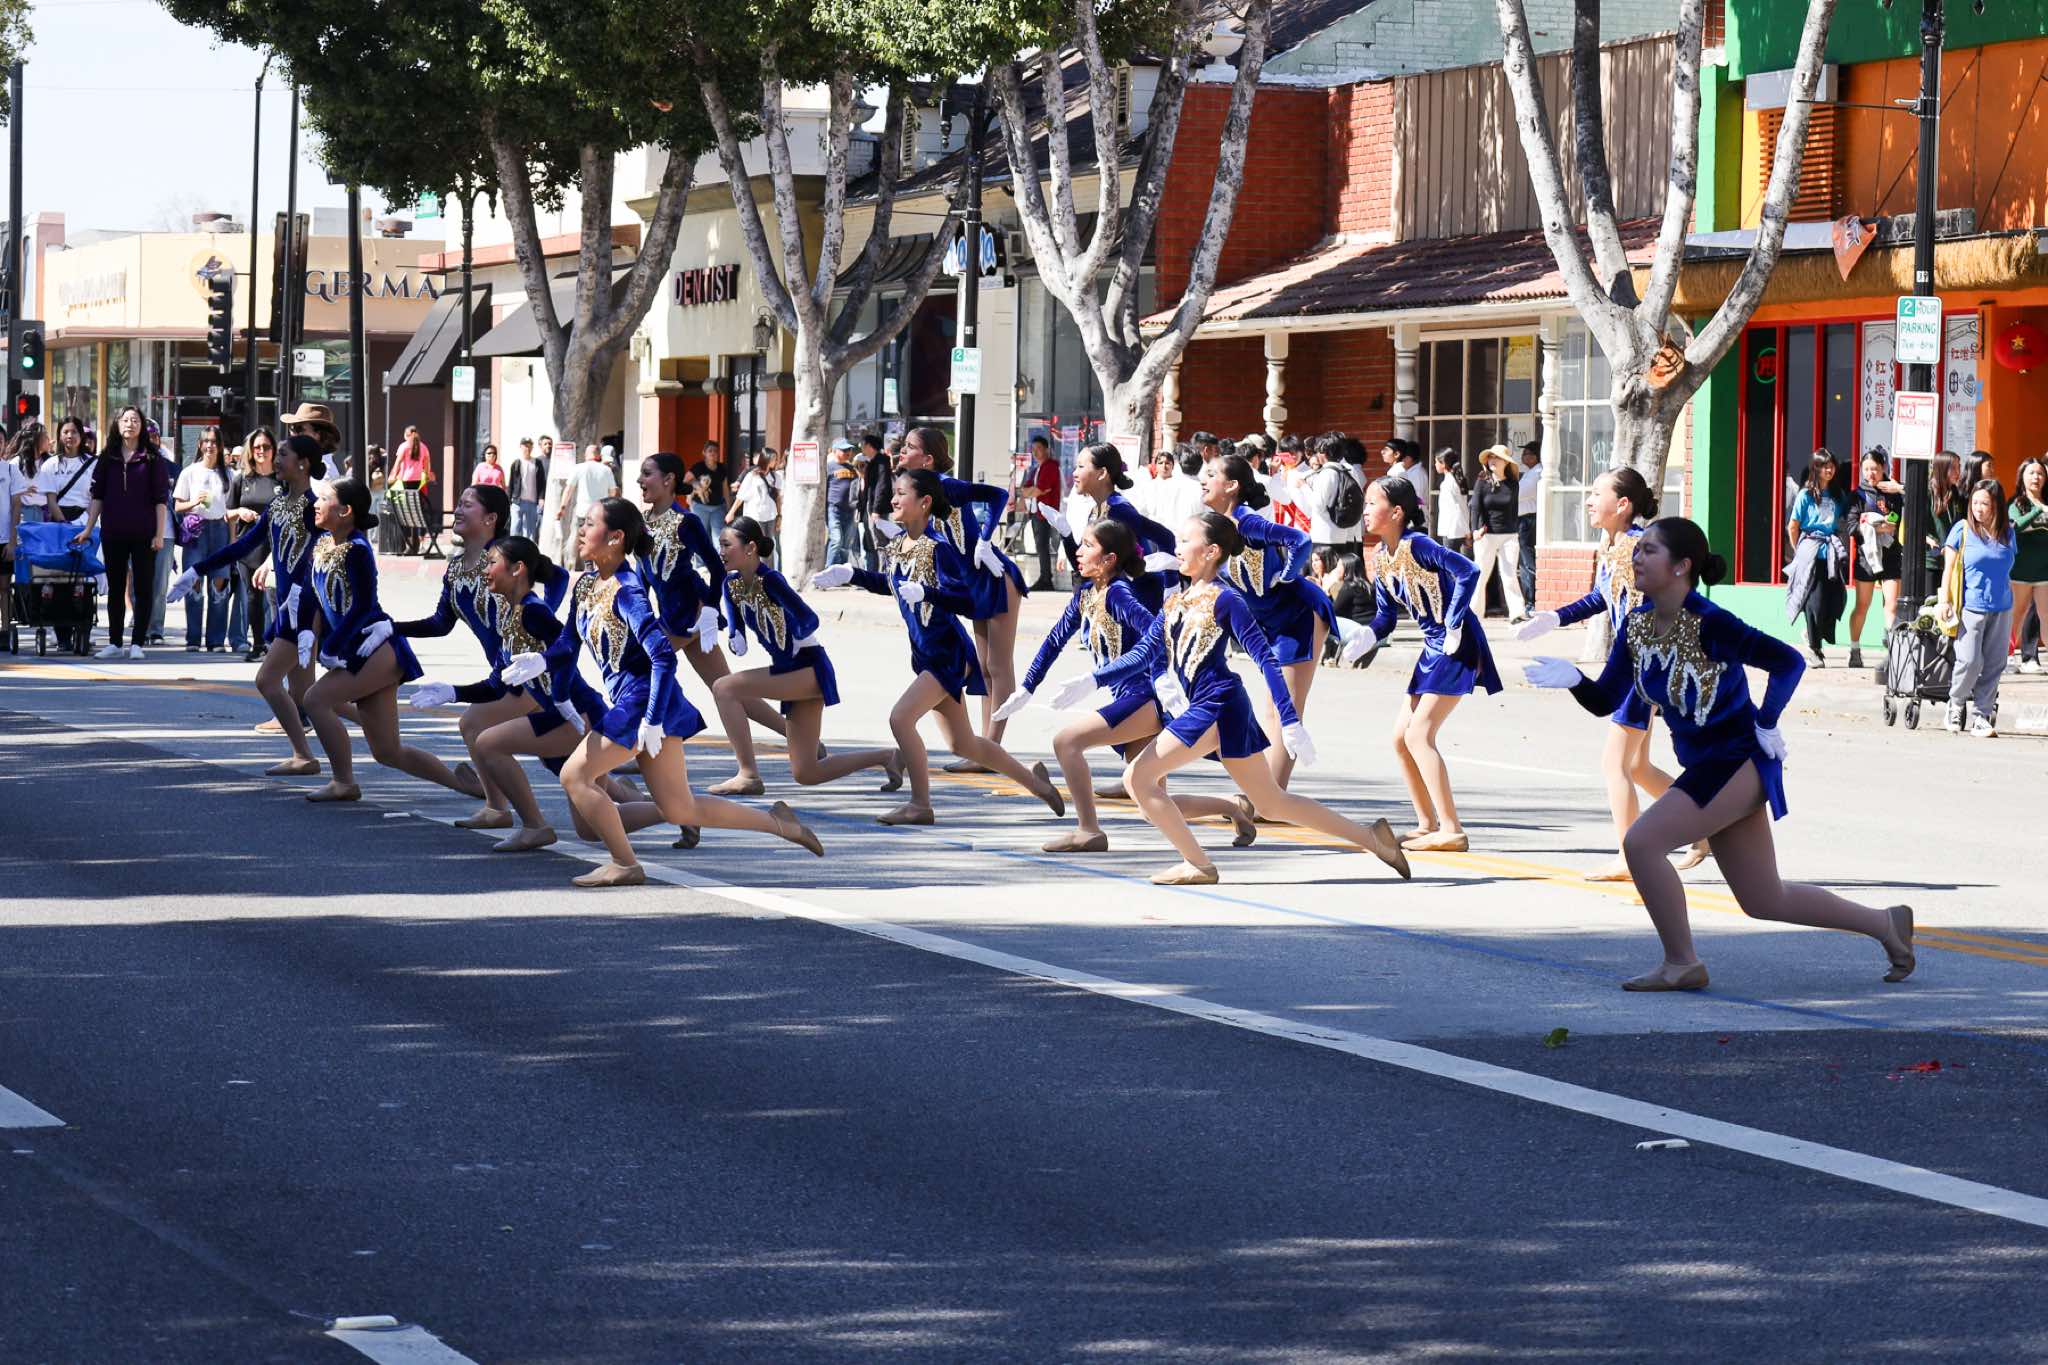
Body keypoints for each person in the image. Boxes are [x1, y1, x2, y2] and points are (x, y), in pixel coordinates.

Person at [1522, 516, 1915, 991]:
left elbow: (1788, 662)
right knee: (1764, 899)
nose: (1637, 557)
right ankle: (1886, 923)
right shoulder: (1637, 625)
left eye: (1650, 550)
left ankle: (1681, 962)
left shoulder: (1710, 622)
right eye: (1638, 549)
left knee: (1642, 844)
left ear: (1682, 566)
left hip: (1737, 761)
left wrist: (1767, 720)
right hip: (1707, 766)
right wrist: (1574, 679)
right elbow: (1606, 699)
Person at [1050, 510, 1410, 886]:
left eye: (1186, 540)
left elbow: (1265, 659)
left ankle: (1198, 864)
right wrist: (1092, 679)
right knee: (1271, 802)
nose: (1177, 547)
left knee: (1138, 778)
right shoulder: (1178, 601)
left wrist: (1290, 721)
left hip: (1217, 704)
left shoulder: (1226, 600)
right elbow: (1143, 653)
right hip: (1219, 708)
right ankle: (1373, 838)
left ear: (1211, 552)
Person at [501, 496, 824, 887]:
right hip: (641, 702)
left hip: (643, 702)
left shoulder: (627, 591)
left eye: (589, 524)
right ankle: (781, 823)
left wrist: (651, 720)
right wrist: (542, 660)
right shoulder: (586, 584)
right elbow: (568, 641)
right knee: (680, 808)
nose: (580, 530)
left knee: (575, 776)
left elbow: (663, 657)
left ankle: (625, 864)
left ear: (616, 538)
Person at [810, 468, 1064, 827]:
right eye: (894, 493)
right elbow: (892, 584)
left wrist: (929, 593)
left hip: (947, 655)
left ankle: (920, 804)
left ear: (925, 502)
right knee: (964, 745)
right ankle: (1037, 783)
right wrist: (853, 576)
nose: (894, 500)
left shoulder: (939, 549)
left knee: (901, 718)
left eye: (902, 494)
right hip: (925, 653)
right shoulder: (899, 544)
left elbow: (967, 601)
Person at [998, 518, 1256, 854]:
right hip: (1127, 698)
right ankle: (1233, 806)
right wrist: (1026, 688)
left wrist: (1161, 678)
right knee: (1151, 805)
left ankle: (1088, 830)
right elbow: (1053, 641)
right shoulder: (1085, 595)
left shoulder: (1118, 594)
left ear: (1109, 559)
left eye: (1088, 545)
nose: (1078, 552)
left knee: (1067, 742)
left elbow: (1156, 635)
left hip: (1143, 697)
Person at [1516, 467, 1707, 880]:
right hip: (1634, 667)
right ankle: (1704, 821)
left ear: (1622, 504)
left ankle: (1630, 857)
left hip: (1644, 670)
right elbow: (1601, 598)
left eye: (1596, 493)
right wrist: (1555, 617)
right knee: (1636, 766)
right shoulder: (1615, 545)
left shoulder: (1641, 546)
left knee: (1614, 763)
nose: (1588, 500)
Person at [294, 478, 483, 805]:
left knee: (315, 700)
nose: (316, 503)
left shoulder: (358, 550)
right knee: (387, 751)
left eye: (324, 498)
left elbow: (363, 607)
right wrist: (306, 632)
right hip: (353, 650)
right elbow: (313, 596)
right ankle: (469, 785)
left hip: (375, 648)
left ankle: (343, 782)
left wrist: (332, 645)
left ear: (345, 511)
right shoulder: (323, 543)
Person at [394, 482, 567, 832]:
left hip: (531, 673)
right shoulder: (456, 568)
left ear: (491, 518)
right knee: (561, 762)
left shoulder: (506, 557)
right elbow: (441, 623)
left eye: (467, 505)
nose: (458, 510)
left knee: (474, 724)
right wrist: (392, 627)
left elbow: (558, 577)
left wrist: (532, 619)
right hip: (503, 674)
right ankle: (646, 800)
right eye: (458, 503)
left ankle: (499, 808)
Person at [1340, 476, 1500, 852]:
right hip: (1432, 648)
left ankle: (1452, 829)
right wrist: (1367, 635)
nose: (1365, 510)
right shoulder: (1380, 556)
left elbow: (1468, 571)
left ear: (1397, 512)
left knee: (1419, 735)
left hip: (1457, 644)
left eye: (1372, 503)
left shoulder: (1419, 545)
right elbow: (1386, 617)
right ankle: (1427, 823)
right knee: (1401, 738)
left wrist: (1454, 621)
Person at [634, 451, 799, 797]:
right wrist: (638, 613)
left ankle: (649, 745)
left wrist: (710, 609)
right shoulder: (644, 523)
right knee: (725, 687)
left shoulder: (686, 522)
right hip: (671, 615)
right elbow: (643, 575)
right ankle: (800, 738)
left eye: (647, 474)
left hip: (689, 614)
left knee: (639, 668)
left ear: (668, 480)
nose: (640, 481)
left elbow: (716, 566)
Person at [707, 515, 903, 794]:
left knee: (724, 688)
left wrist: (799, 632)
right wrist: (734, 635)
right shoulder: (731, 586)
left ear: (750, 548)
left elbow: (808, 617)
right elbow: (735, 623)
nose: (721, 551)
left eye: (727, 545)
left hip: (808, 667)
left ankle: (748, 774)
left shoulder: (771, 579)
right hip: (789, 670)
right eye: (720, 545)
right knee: (806, 772)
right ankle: (887, 757)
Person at [173, 434, 323, 771]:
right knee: (311, 698)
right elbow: (242, 546)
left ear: (303, 464)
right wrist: (196, 570)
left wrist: (315, 608)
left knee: (268, 681)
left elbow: (327, 559)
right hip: (287, 608)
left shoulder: (315, 508)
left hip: (303, 612)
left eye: (283, 454)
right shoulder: (278, 506)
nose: (277, 460)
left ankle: (317, 755)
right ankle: (326, 751)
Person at [893, 426, 1033, 762]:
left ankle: (992, 748)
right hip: (970, 583)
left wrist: (985, 540)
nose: (902, 450)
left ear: (928, 458)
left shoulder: (947, 486)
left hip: (993, 577)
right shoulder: (920, 493)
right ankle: (984, 749)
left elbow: (997, 495)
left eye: (909, 446)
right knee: (983, 668)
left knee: (997, 665)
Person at [1200, 452, 1337, 792]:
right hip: (1269, 624)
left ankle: (1272, 799)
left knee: (1287, 710)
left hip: (1299, 615)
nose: (1203, 479)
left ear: (1232, 486)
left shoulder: (1247, 522)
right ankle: (1266, 794)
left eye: (1212, 474)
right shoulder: (1216, 529)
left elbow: (1300, 541)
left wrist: (1287, 576)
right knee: (1271, 711)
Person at [1034, 442, 1179, 613]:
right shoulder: (1097, 510)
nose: (1074, 473)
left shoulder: (1119, 509)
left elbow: (1166, 537)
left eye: (1081, 467)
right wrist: (1065, 533)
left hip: (1136, 607)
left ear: (1102, 473)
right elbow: (1084, 566)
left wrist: (1170, 585)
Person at [72, 407, 170, 659]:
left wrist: (159, 534)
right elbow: (98, 497)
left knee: (143, 588)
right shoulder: (108, 457)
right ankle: (115, 642)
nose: (130, 424)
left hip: (144, 533)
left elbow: (161, 500)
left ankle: (137, 642)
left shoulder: (152, 457)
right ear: (118, 424)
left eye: (135, 420)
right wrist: (88, 529)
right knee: (116, 588)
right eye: (125, 420)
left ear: (142, 426)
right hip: (113, 532)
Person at [1941, 478, 2016, 737]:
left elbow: (2008, 569)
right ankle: (1956, 704)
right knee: (1970, 661)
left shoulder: (2008, 533)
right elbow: (1949, 569)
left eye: (1984, 503)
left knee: (1995, 663)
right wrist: (1944, 600)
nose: (1978, 508)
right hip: (1971, 606)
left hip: (2002, 606)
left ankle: (1981, 715)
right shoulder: (1962, 530)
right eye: (1975, 502)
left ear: (1996, 505)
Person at [1783, 448, 1850, 668]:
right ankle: (1814, 649)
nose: (1829, 470)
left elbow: (1844, 520)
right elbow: (1793, 526)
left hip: (1830, 553)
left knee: (1834, 600)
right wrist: (1800, 550)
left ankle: (1812, 634)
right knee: (1815, 602)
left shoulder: (1838, 495)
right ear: (1816, 468)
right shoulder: (1805, 495)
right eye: (1824, 466)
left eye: (1831, 466)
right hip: (1810, 552)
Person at [173, 427, 233, 653]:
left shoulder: (228, 474)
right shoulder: (189, 472)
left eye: (214, 442)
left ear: (220, 446)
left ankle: (216, 640)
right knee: (194, 585)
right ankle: (193, 638)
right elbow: (177, 506)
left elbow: (230, 509)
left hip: (220, 529)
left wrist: (233, 540)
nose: (210, 446)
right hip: (196, 529)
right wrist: (194, 502)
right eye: (206, 441)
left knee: (220, 584)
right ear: (200, 445)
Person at [222, 429, 280, 660]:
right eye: (257, 447)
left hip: (275, 546)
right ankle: (258, 645)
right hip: (248, 546)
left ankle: (278, 645)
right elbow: (227, 513)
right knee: (252, 597)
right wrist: (239, 512)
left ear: (274, 449)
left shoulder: (282, 479)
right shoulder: (242, 479)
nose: (261, 451)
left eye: (266, 447)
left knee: (275, 596)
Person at [1849, 449, 1905, 670]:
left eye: (1875, 469)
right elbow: (1851, 526)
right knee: (1862, 605)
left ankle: (1891, 651)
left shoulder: (1893, 492)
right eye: (1866, 469)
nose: (1870, 473)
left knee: (1891, 604)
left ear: (1883, 469)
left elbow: (1898, 519)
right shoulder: (1858, 495)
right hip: (1867, 557)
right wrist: (1875, 527)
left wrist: (1890, 524)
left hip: (1891, 554)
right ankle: (1855, 649)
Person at [1469, 445, 1529, 624]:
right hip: (1486, 535)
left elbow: (1513, 510)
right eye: (1490, 457)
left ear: (1506, 462)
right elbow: (1475, 507)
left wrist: (1515, 532)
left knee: (1509, 575)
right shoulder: (1482, 481)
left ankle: (1517, 613)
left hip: (1509, 535)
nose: (1492, 460)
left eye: (1497, 457)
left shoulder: (1513, 483)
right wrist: (1475, 529)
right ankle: (1474, 614)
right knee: (1480, 575)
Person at [2010, 456, 2048, 674]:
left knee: (2046, 616)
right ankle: (2006, 657)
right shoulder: (2016, 503)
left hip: (2045, 570)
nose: (2036, 477)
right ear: (2022, 477)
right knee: (2017, 614)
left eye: (2040, 473)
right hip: (2021, 571)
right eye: (2031, 473)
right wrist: (2037, 510)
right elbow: (2014, 527)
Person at [36, 418, 96, 523]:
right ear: (59, 436)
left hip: (86, 522)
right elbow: (51, 500)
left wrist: (83, 521)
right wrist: (64, 524)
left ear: (81, 435)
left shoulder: (94, 463)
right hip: (59, 523)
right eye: (65, 432)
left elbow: (96, 498)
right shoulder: (50, 465)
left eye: (74, 432)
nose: (70, 436)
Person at [559, 441, 619, 541]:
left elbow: (568, 490)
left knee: (583, 540)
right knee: (598, 540)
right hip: (600, 512)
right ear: (599, 455)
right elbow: (613, 492)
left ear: (586, 455)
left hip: (583, 512)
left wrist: (562, 507)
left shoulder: (578, 468)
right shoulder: (606, 470)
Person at [391, 424, 436, 555]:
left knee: (406, 512)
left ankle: (409, 544)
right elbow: (427, 465)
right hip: (418, 482)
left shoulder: (404, 446)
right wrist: (426, 476)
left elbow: (398, 462)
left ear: (407, 435)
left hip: (406, 481)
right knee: (417, 512)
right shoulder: (424, 447)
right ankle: (417, 543)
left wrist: (393, 476)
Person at [1026, 436, 1063, 590]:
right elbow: (1026, 489)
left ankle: (1046, 579)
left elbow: (1040, 489)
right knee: (1040, 546)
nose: (1035, 452)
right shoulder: (1036, 469)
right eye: (1033, 449)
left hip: (1047, 513)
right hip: (1036, 512)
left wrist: (1033, 491)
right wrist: (1032, 491)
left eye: (1039, 449)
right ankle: (1044, 577)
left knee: (1043, 546)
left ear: (1047, 450)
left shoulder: (1050, 467)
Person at [728, 449, 780, 554]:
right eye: (774, 458)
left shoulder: (775, 476)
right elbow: (741, 496)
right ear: (766, 459)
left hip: (771, 515)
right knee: (757, 545)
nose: (776, 461)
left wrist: (779, 516)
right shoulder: (752, 475)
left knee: (769, 546)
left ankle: (767, 565)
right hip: (755, 515)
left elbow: (778, 498)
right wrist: (731, 512)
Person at [1924, 450, 1964, 581]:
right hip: (1931, 559)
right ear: (1942, 469)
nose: (1958, 472)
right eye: (1953, 468)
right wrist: (1930, 541)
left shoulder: (1955, 492)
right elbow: (1916, 525)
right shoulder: (1928, 492)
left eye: (1959, 467)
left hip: (1951, 558)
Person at [824, 438, 863, 569]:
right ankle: (829, 569)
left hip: (850, 510)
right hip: (834, 509)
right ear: (835, 451)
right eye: (844, 450)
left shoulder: (852, 468)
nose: (848, 452)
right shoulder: (828, 467)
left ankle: (841, 572)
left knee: (846, 544)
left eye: (849, 450)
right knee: (836, 540)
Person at [858, 432, 891, 570]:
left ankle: (885, 572)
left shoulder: (881, 461)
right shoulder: (872, 462)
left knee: (880, 541)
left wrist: (876, 509)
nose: (861, 448)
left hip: (876, 508)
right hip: (869, 506)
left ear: (869, 446)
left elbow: (882, 485)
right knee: (871, 541)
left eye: (863, 445)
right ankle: (874, 571)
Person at [1516, 440, 1542, 608]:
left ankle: (1531, 601)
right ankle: (1529, 600)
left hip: (1528, 520)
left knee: (1527, 562)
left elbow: (1518, 493)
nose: (1523, 456)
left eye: (1526, 453)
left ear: (1535, 457)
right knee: (1524, 561)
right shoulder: (1530, 472)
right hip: (1524, 519)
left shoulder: (1536, 473)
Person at [1432, 448, 1471, 555]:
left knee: (1450, 561)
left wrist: (1467, 532)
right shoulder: (1454, 480)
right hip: (1456, 529)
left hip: (1451, 530)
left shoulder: (1448, 483)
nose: (1435, 464)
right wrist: (1466, 530)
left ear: (1443, 464)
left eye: (1436, 462)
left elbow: (1458, 508)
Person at [507, 437, 546, 540]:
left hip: (532, 502)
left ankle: (528, 549)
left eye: (529, 446)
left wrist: (541, 498)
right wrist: (508, 501)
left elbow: (542, 482)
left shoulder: (537, 463)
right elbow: (511, 483)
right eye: (525, 446)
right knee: (515, 530)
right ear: (520, 447)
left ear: (532, 447)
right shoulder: (516, 463)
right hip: (517, 502)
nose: (527, 448)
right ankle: (513, 549)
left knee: (530, 532)